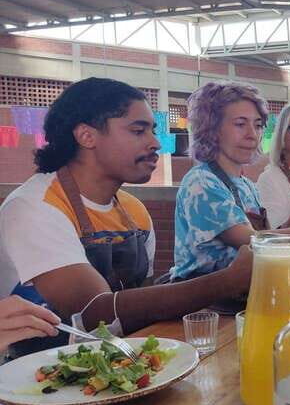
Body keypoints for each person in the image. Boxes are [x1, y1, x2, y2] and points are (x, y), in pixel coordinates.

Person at [0, 77, 252, 357]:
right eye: (138, 130)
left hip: (123, 367)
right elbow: (95, 314)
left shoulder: (134, 211)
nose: (156, 142)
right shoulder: (34, 206)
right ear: (87, 136)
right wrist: (228, 281)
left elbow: (142, 305)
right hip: (36, 381)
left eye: (153, 131)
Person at [169, 82, 290, 282]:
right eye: (240, 124)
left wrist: (286, 227)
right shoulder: (201, 182)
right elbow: (253, 242)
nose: (252, 135)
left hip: (241, 293)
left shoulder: (247, 185)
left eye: (257, 125)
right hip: (204, 304)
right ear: (212, 129)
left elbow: (261, 238)